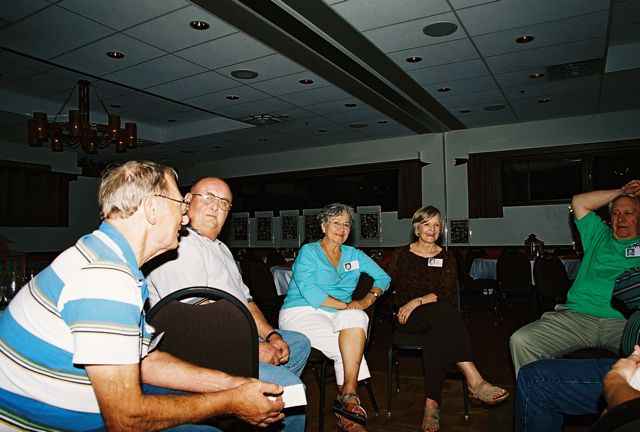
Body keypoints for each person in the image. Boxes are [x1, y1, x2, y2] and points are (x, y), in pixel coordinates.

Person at [0, 161, 284, 431]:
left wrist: (232, 384)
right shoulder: (105, 277)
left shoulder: (107, 259)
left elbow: (146, 362)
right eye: (179, 206)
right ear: (152, 210)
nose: (185, 217)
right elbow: (126, 420)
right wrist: (231, 402)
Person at [146, 176, 310, 432]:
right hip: (195, 347)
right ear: (187, 201)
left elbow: (246, 301)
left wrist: (272, 335)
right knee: (291, 391)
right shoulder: (180, 244)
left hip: (227, 336)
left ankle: (256, 411)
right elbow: (192, 315)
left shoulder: (221, 249)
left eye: (223, 202)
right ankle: (266, 399)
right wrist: (250, 349)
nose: (214, 206)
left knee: (298, 342)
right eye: (207, 197)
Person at [386, 206, 509, 432]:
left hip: (437, 316)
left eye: (436, 225)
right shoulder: (401, 254)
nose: (432, 229)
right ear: (416, 227)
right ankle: (475, 380)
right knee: (446, 314)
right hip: (408, 317)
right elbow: (382, 280)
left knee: (438, 330)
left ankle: (431, 406)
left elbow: (447, 293)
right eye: (427, 224)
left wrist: (419, 300)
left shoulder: (446, 257)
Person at [278, 203, 390, 432]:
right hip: (302, 311)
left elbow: (383, 277)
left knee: (358, 318)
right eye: (336, 223)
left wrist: (367, 301)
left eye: (346, 224)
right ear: (323, 226)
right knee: (347, 348)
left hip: (338, 314)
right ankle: (349, 410)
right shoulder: (309, 251)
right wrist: (347, 305)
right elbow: (310, 291)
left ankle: (347, 396)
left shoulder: (354, 255)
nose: (341, 228)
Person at [510, 181, 640, 376]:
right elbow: (579, 202)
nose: (620, 218)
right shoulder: (598, 235)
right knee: (521, 340)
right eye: (615, 213)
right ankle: (541, 399)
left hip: (623, 322)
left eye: (628, 213)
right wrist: (622, 192)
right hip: (577, 317)